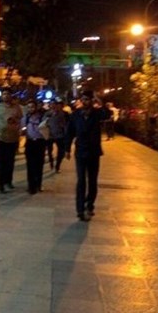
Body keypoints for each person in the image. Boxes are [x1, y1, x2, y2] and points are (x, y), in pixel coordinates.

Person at [65, 91, 111, 221]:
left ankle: (89, 204)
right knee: (81, 181)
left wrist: (99, 100)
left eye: (87, 99)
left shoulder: (97, 113)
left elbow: (107, 114)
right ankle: (80, 209)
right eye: (83, 99)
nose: (85, 102)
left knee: (92, 181)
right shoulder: (75, 115)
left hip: (94, 152)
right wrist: (67, 149)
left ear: (91, 100)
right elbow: (70, 132)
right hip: (80, 151)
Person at [0, 87, 22, 193]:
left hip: (13, 138)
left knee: (10, 162)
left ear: (11, 95)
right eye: (4, 94)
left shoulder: (17, 108)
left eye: (8, 94)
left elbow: (20, 120)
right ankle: (0, 184)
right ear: (2, 96)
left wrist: (14, 121)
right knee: (1, 162)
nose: (6, 96)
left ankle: (8, 181)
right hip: (1, 138)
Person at [22, 100, 46, 193]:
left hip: (39, 142)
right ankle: (31, 186)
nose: (30, 109)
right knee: (30, 165)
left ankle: (38, 184)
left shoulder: (41, 117)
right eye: (29, 107)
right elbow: (22, 128)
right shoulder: (26, 118)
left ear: (36, 107)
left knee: (39, 165)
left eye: (32, 107)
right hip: (30, 142)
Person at [45, 99, 69, 173]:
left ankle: (57, 166)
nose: (53, 106)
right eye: (51, 104)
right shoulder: (47, 114)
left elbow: (64, 125)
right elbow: (43, 123)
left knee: (61, 152)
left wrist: (65, 133)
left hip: (59, 135)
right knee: (49, 151)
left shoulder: (61, 114)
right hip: (50, 136)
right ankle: (51, 162)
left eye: (54, 104)